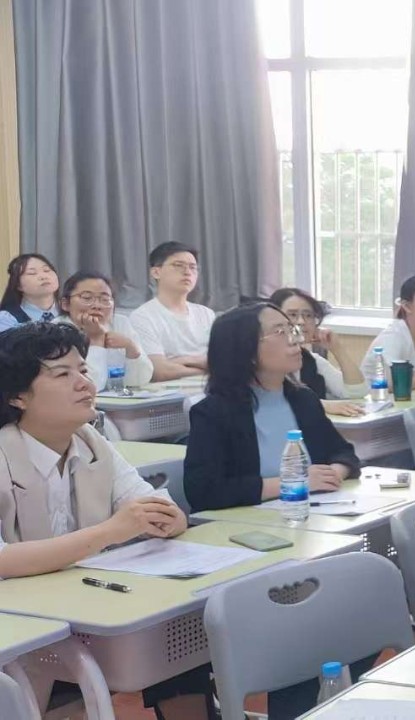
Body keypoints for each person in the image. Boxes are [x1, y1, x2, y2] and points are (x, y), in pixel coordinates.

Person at [0, 323, 202, 719]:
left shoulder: (93, 442)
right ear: (17, 396)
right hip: (15, 624)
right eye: (62, 374)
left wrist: (166, 518)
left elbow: (158, 508)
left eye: (82, 369)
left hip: (75, 608)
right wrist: (113, 530)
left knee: (187, 627)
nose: (83, 383)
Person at [183, 304, 362, 513]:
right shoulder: (214, 413)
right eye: (280, 332)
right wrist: (293, 482)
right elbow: (203, 491)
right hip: (244, 525)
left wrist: (333, 474)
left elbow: (343, 453)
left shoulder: (303, 400)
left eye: (291, 330)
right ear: (246, 349)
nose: (295, 339)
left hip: (309, 514)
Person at [268, 287, 365, 417]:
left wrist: (337, 349)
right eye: (293, 315)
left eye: (308, 315)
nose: (301, 322)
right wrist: (322, 405)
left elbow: (357, 393)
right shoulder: (264, 360)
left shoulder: (311, 360)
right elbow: (271, 401)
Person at [129, 242, 216, 382]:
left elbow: (224, 361)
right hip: (168, 392)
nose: (187, 272)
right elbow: (159, 371)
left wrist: (185, 360)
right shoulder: (142, 317)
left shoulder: (207, 314)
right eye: (178, 265)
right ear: (156, 272)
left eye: (193, 267)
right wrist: (211, 370)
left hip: (211, 388)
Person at [57, 271, 155, 391]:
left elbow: (139, 380)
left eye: (105, 299)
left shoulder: (120, 323)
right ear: (65, 304)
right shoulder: (58, 330)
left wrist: (131, 348)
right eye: (87, 298)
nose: (97, 306)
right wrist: (96, 340)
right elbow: (88, 386)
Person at [0, 253, 63, 331]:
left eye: (46, 270)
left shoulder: (71, 311)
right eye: (32, 273)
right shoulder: (7, 319)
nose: (43, 276)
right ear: (18, 284)